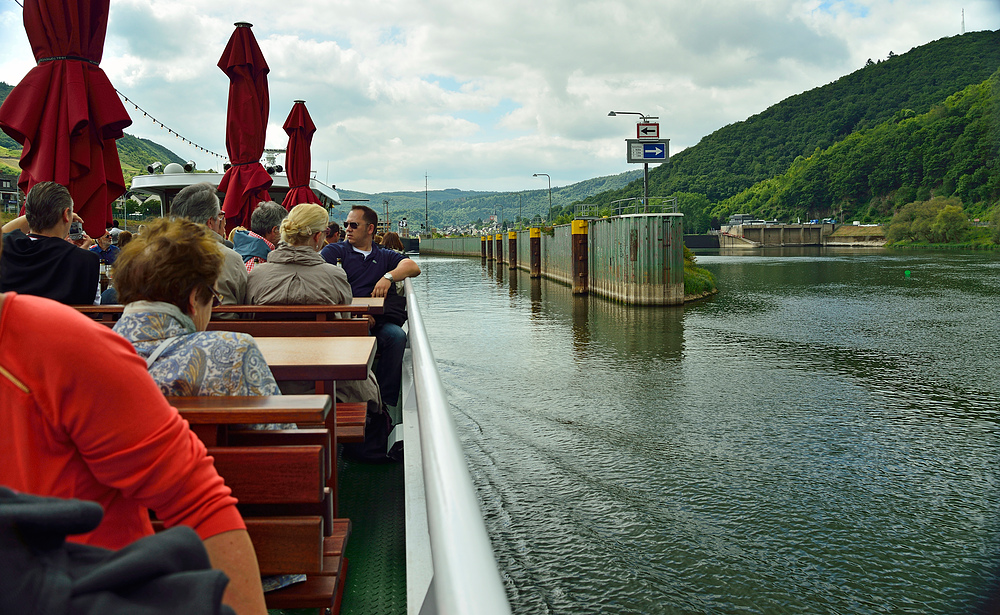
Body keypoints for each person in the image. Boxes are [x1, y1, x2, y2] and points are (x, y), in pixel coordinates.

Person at [0, 223, 268, 615]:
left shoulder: (63, 344)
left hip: (95, 590)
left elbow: (198, 501)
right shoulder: (64, 347)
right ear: (196, 298)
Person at [111, 217, 282, 400]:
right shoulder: (233, 354)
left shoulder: (87, 356)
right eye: (214, 300)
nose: (212, 308)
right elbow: (276, 427)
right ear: (194, 298)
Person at [247, 203, 382, 419]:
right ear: (319, 237)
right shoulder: (333, 276)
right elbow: (346, 326)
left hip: (269, 383)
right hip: (328, 385)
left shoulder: (256, 277)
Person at [320, 205, 420, 408]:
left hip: (378, 321)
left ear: (370, 229)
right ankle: (351, 398)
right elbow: (323, 286)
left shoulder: (384, 255)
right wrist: (354, 316)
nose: (348, 228)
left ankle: (385, 402)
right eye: (346, 224)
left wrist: (388, 277)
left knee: (397, 337)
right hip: (345, 320)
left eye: (354, 225)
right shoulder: (334, 252)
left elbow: (413, 267)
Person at [0, 181, 100, 305]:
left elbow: (3, 232)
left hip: (10, 324)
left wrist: (35, 212)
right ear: (66, 214)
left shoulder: (6, 247)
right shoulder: (87, 260)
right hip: (63, 324)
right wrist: (80, 257)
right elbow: (93, 311)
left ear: (29, 213)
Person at [169, 182, 247, 307]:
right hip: (226, 326)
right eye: (220, 217)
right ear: (210, 222)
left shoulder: (153, 255)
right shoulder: (232, 259)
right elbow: (244, 307)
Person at [233, 201, 288, 273]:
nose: (287, 234)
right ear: (275, 230)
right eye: (285, 229)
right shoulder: (258, 261)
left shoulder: (242, 246)